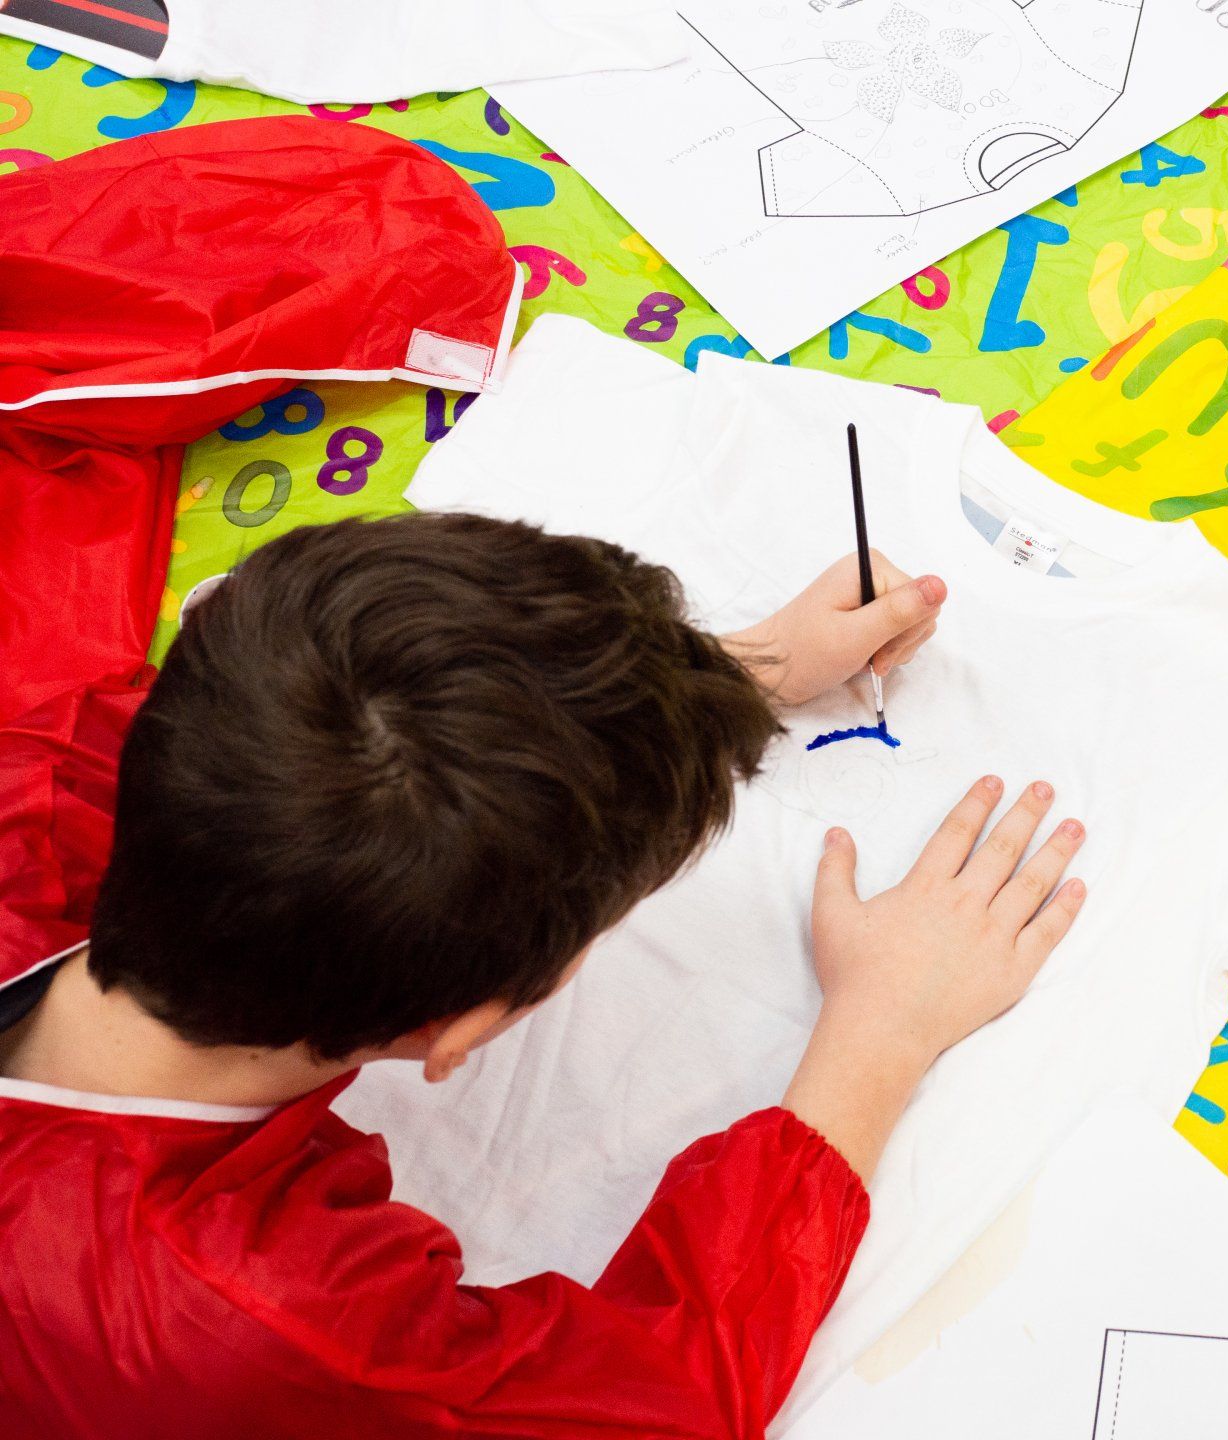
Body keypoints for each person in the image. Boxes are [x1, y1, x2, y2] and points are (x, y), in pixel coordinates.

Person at [0, 511, 1088, 1438]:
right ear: (461, 1032)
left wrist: (731, 673)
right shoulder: (270, 1324)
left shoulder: (48, 769)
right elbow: (662, 1396)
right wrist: (882, 1034)